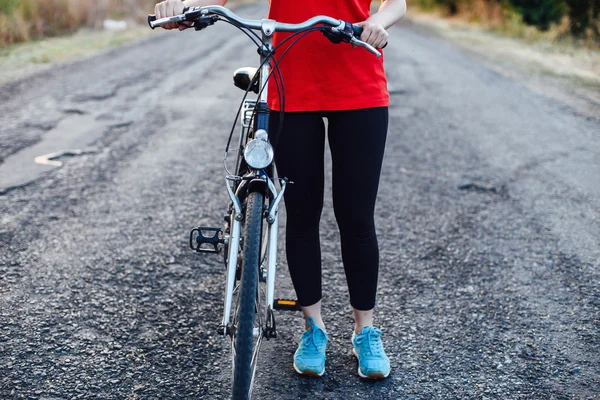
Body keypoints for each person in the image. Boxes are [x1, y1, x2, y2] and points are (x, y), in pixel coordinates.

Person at [154, 0, 406, 380]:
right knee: (302, 215)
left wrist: (376, 22)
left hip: (360, 85)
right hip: (292, 87)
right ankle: (313, 329)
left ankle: (364, 331)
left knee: (356, 217)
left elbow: (397, 2)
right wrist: (189, 5)